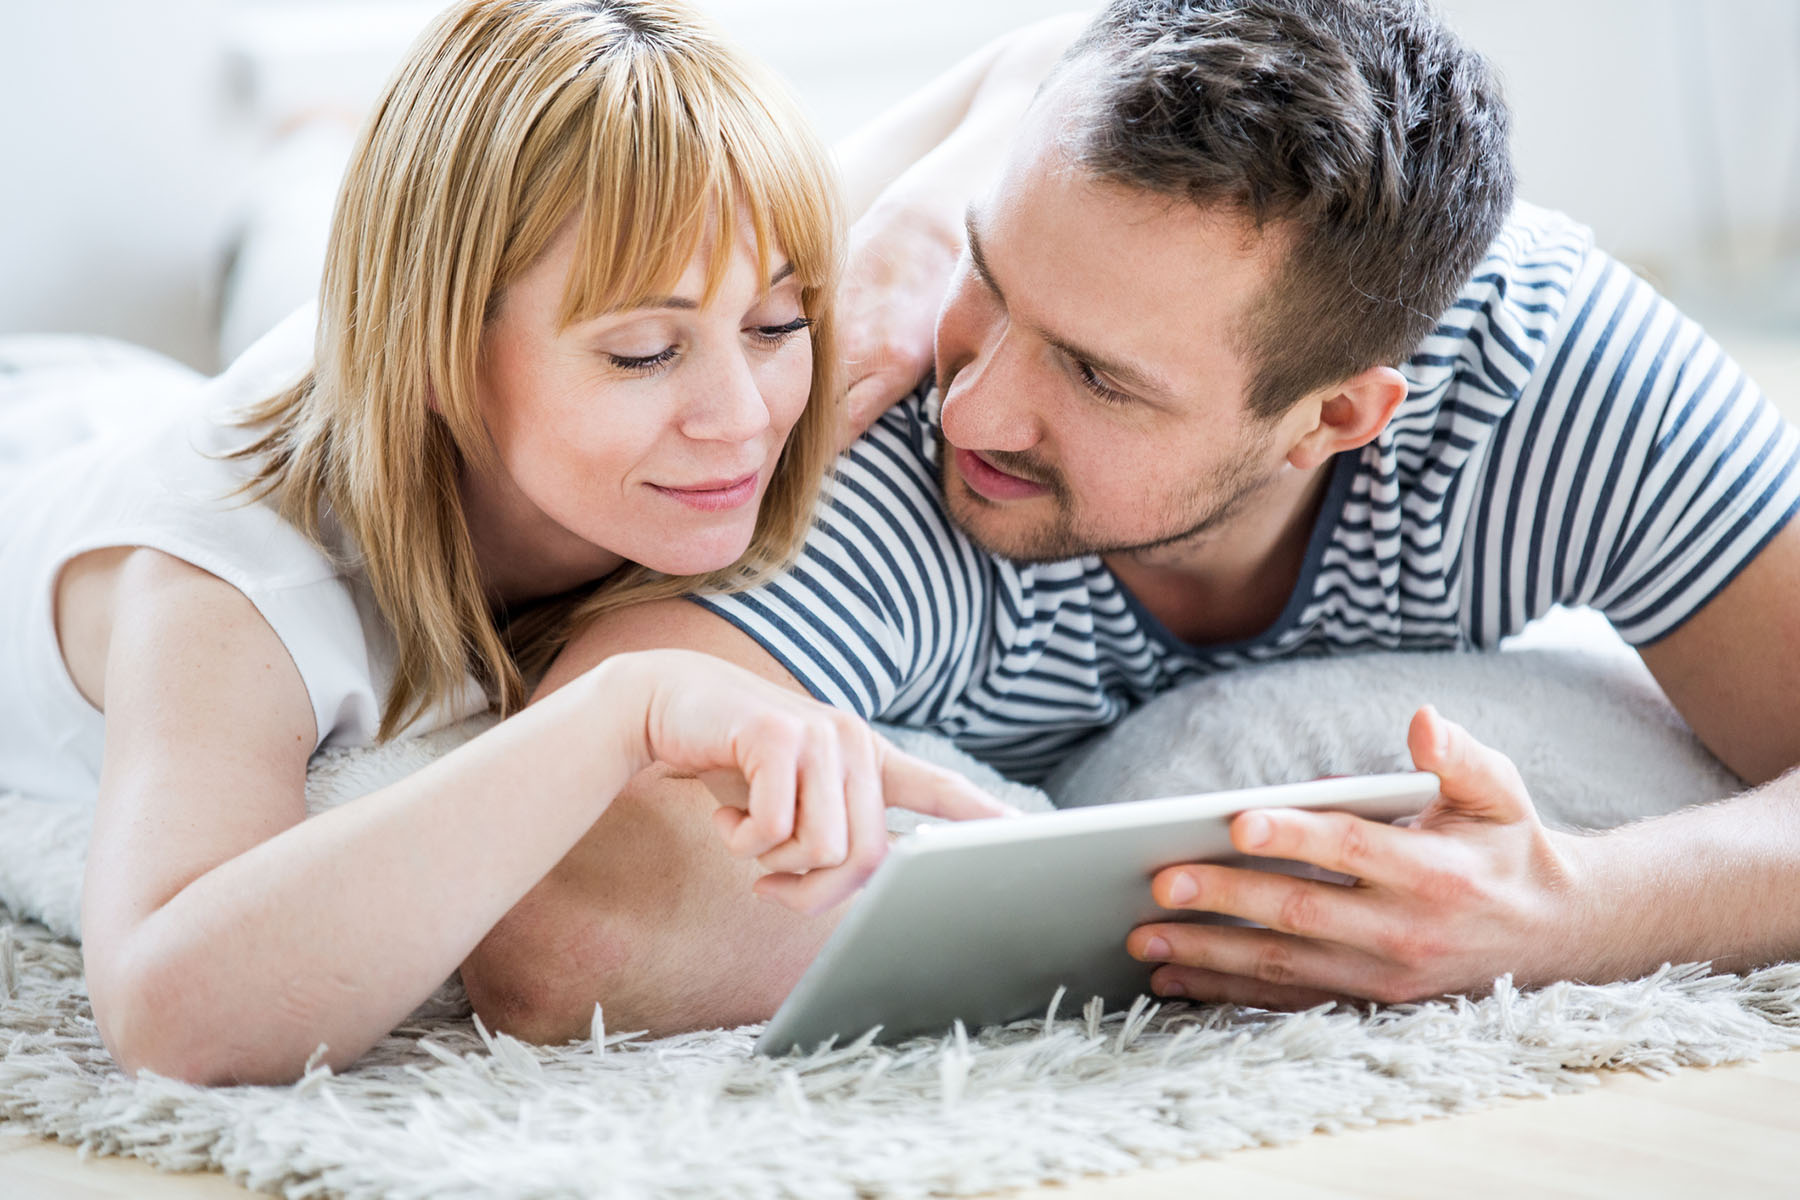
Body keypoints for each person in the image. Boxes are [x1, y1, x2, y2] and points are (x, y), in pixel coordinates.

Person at [459, 0, 1800, 1041]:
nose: (974, 409)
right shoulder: (886, 428)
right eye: (988, 277)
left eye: (1099, 377)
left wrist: (1563, 912)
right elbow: (558, 927)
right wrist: (1204, 926)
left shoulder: (1556, 376)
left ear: (1332, 420)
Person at [0, 0, 1022, 1086]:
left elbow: (1050, 55)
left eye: (777, 326)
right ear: (438, 354)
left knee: (301, 265)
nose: (742, 417)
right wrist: (618, 712)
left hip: (218, 380)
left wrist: (911, 237)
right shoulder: (230, 578)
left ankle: (310, 154)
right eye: (643, 352)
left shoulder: (697, 228)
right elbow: (170, 1018)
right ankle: (307, 160)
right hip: (39, 442)